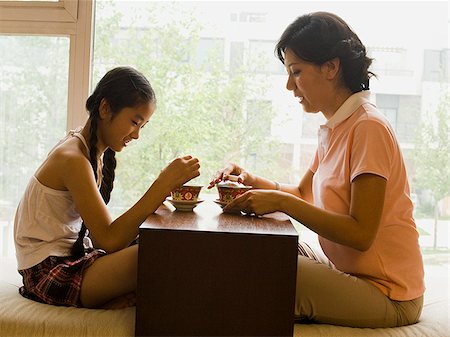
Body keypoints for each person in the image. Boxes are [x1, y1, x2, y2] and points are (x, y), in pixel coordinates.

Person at [209, 12, 424, 328]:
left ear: (331, 67)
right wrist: (249, 179)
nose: (288, 85)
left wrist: (281, 203)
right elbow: (301, 193)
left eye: (296, 72)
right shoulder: (336, 126)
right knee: (257, 247)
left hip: (388, 292)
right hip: (346, 271)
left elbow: (361, 234)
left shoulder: (368, 127)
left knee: (262, 271)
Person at [14, 66, 200, 308]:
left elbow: (104, 236)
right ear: (105, 108)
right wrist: (162, 184)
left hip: (75, 257)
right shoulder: (72, 158)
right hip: (48, 271)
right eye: (135, 122)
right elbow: (108, 240)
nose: (136, 136)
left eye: (142, 127)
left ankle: (113, 300)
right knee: (159, 254)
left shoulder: (93, 154)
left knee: (163, 241)